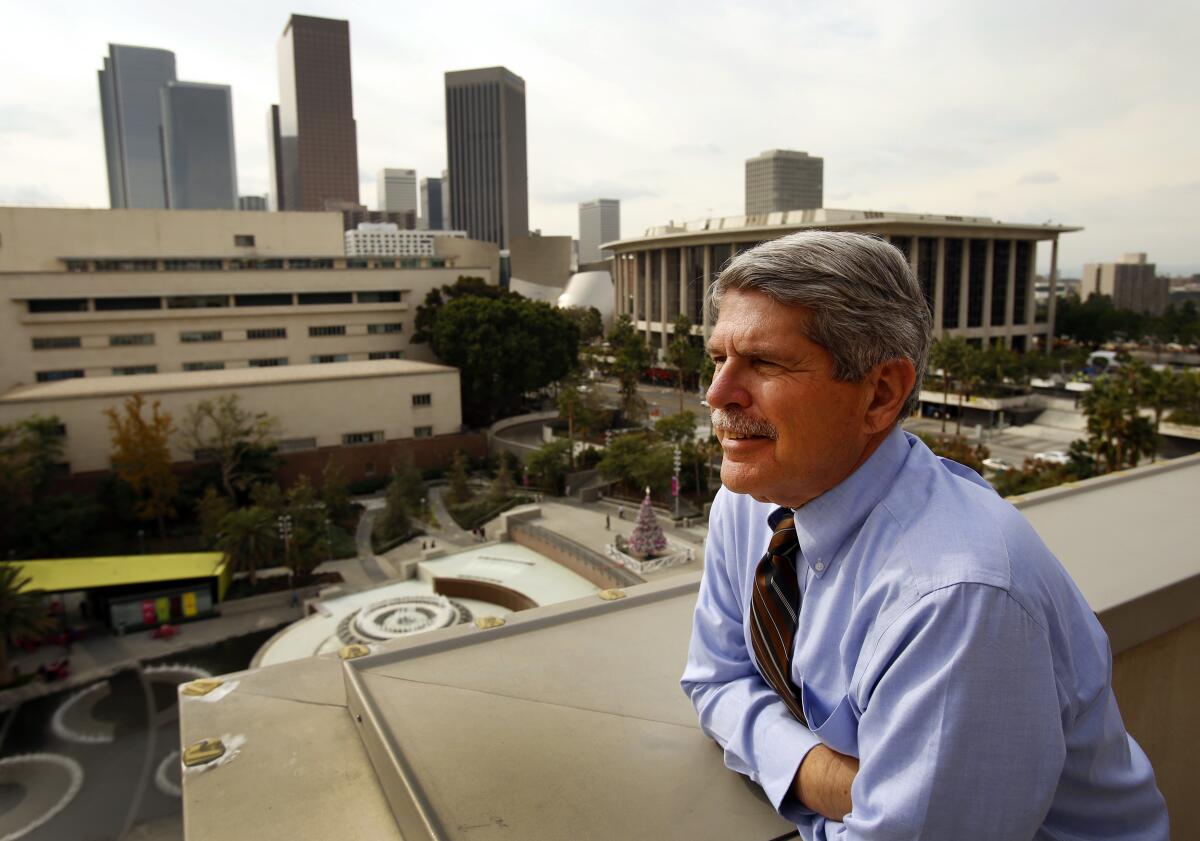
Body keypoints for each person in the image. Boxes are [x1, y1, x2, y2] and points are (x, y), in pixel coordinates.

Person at [680, 231, 1167, 840]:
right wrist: (834, 779)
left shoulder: (957, 596)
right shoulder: (749, 505)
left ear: (880, 393)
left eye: (765, 363)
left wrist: (850, 791)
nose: (717, 394)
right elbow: (715, 679)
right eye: (718, 359)